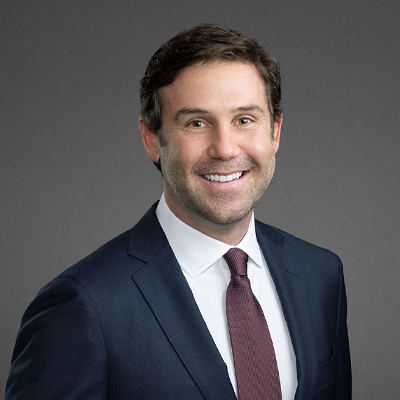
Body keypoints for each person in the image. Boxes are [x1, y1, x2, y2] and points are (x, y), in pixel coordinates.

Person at [5, 24, 351, 400]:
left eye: (244, 120)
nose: (224, 148)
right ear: (152, 139)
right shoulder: (85, 305)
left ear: (275, 131)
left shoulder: (320, 276)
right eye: (196, 123)